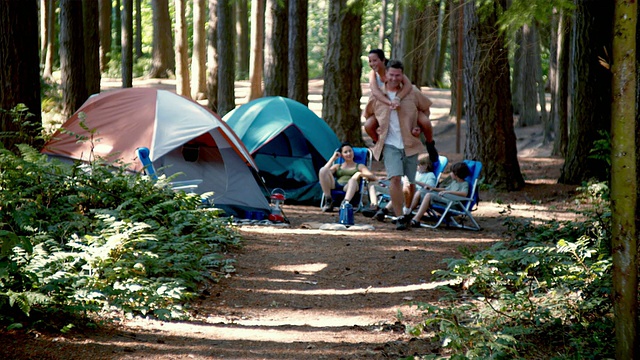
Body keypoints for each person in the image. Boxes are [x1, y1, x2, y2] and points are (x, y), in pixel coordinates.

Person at [363, 60, 432, 230]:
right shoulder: (377, 95)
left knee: (410, 181)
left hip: (409, 143)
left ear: (402, 75)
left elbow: (426, 110)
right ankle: (399, 215)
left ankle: (408, 211)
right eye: (391, 74)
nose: (394, 78)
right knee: (395, 178)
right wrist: (376, 133)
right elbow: (368, 116)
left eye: (398, 75)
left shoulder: (412, 92)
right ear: (385, 75)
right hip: (389, 144)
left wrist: (419, 128)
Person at [364, 49, 439, 162]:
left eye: (375, 60)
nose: (372, 64)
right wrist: (389, 102)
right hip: (383, 105)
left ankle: (430, 144)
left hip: (402, 103)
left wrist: (398, 98)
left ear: (383, 60)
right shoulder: (373, 75)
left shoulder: (394, 72)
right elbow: (375, 91)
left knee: (426, 122)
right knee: (368, 125)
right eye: (370, 61)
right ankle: (379, 144)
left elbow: (408, 85)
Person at [374, 154, 437, 221]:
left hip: (417, 193)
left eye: (420, 165)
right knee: (400, 191)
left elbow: (430, 188)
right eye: (417, 165)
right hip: (408, 191)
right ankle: (385, 210)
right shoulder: (416, 173)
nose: (418, 167)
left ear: (427, 166)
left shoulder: (430, 175)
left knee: (403, 191)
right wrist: (388, 179)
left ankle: (388, 210)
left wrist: (415, 182)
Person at [319, 142, 377, 212]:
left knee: (352, 180)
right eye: (345, 152)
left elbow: (372, 177)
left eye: (350, 151)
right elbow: (323, 173)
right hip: (336, 184)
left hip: (350, 186)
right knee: (322, 170)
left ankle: (345, 203)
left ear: (353, 152)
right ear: (342, 155)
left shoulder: (359, 166)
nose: (349, 153)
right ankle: (328, 200)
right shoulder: (338, 166)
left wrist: (360, 174)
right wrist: (333, 158)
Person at [410, 161, 470, 228]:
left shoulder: (464, 184)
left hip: (452, 204)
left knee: (429, 195)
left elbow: (464, 194)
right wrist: (433, 188)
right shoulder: (454, 182)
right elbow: (445, 189)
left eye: (451, 172)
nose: (450, 174)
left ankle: (416, 219)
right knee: (421, 192)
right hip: (445, 201)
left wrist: (449, 192)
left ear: (456, 174)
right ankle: (407, 213)